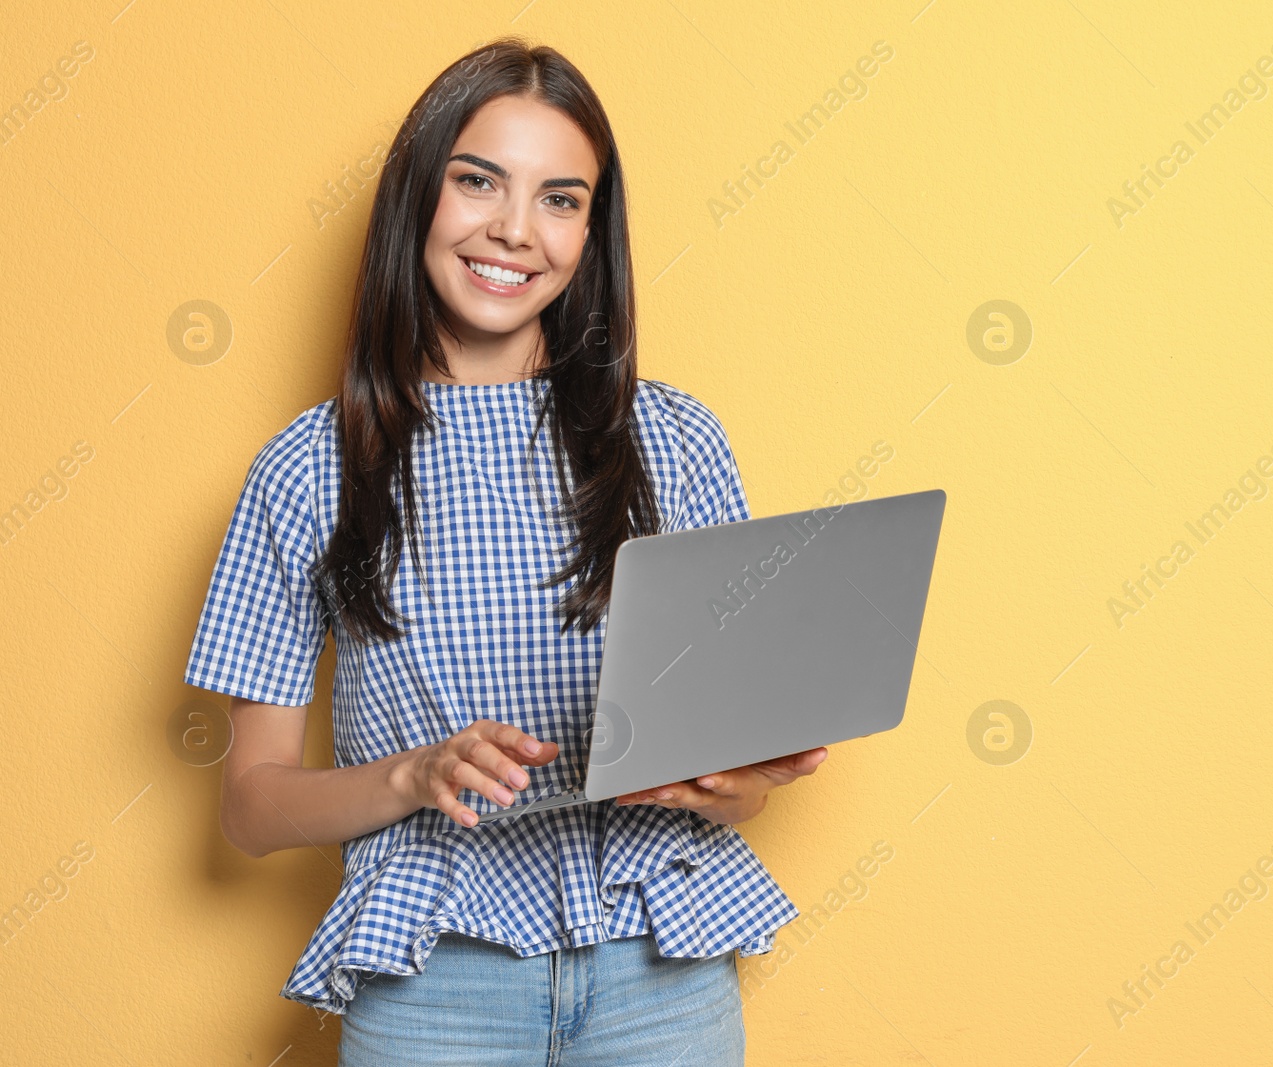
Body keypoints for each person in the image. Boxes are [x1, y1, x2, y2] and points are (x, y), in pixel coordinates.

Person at [182, 37, 826, 1066]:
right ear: (415, 199)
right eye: (478, 181)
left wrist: (737, 778)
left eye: (560, 199)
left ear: (590, 233)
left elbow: (735, 787)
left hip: (659, 971)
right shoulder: (308, 469)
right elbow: (252, 807)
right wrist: (411, 775)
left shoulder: (676, 441)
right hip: (433, 982)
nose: (514, 230)